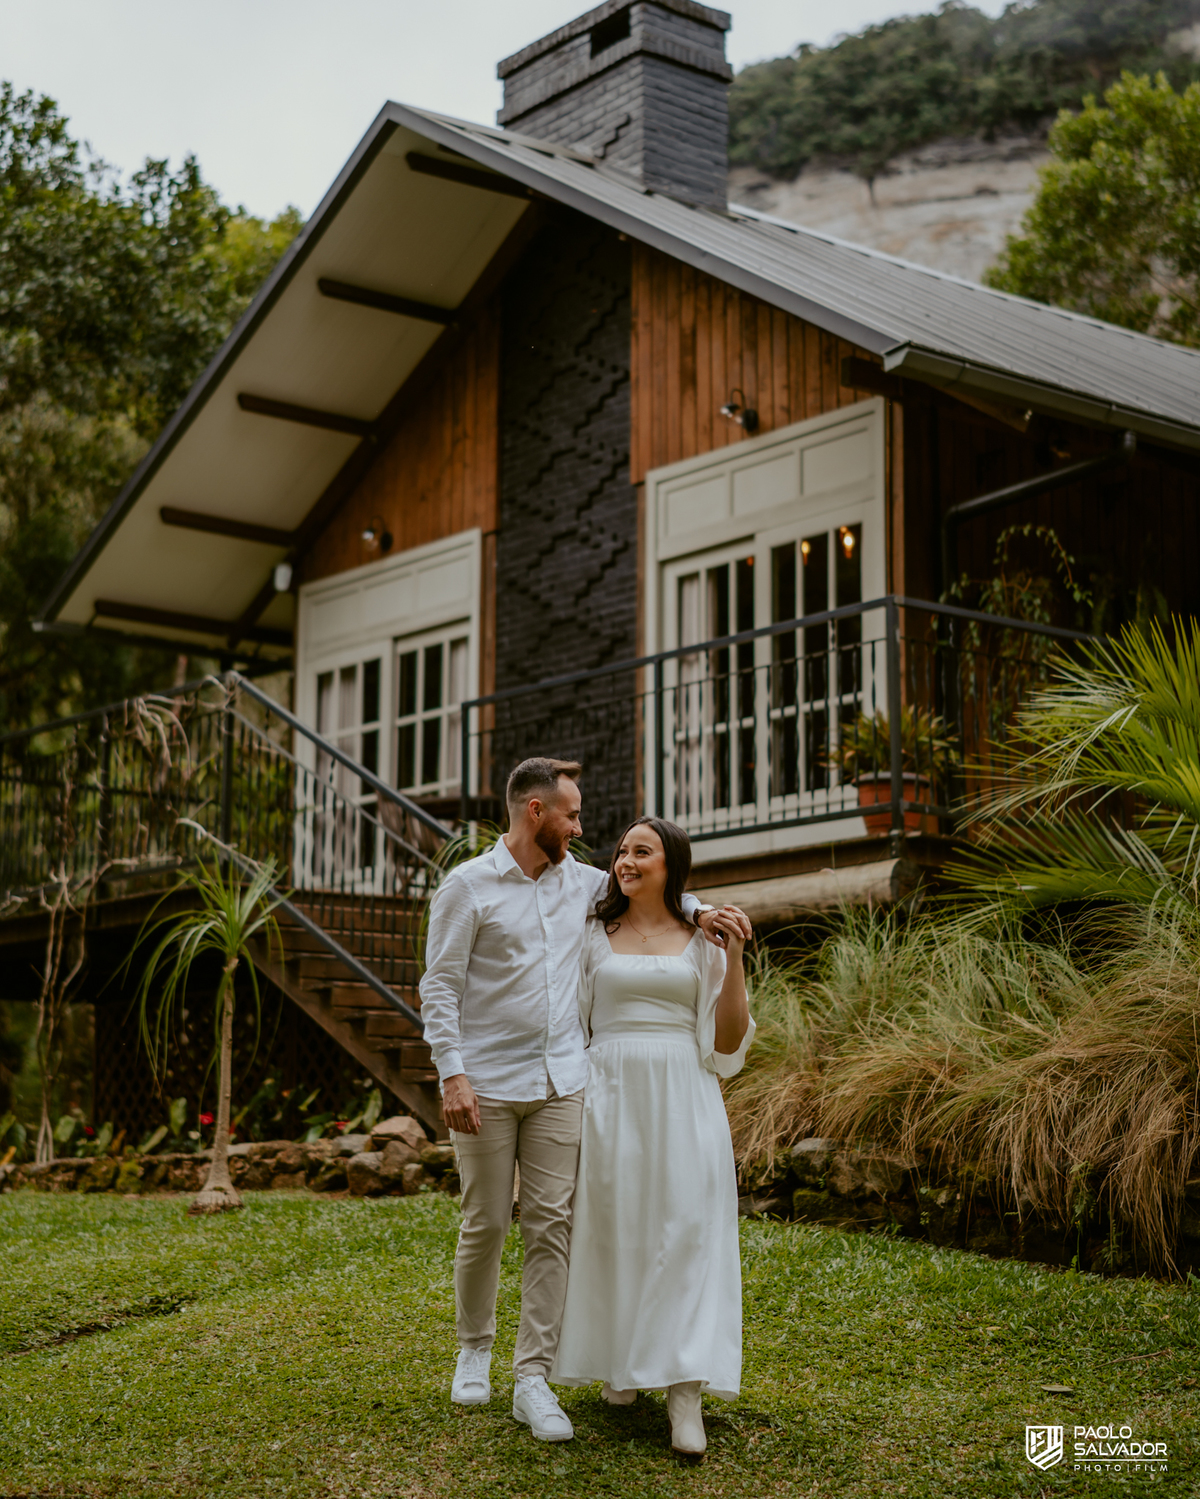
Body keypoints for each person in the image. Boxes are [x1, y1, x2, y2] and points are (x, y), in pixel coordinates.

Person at [418, 758, 748, 1443]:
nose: (581, 827)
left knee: (554, 1227)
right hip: (484, 1081)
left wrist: (702, 911)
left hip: (563, 1080)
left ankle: (532, 1376)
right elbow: (440, 987)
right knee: (485, 1219)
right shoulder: (466, 886)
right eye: (570, 814)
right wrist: (452, 1073)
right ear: (535, 811)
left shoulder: (584, 886)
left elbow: (657, 894)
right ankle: (474, 1346)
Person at [550, 816, 754, 1457]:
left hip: (685, 1091)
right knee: (614, 1226)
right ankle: (621, 1360)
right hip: (608, 1089)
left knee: (686, 1230)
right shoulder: (591, 930)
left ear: (672, 865)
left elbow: (726, 1044)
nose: (626, 860)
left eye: (643, 851)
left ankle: (685, 1392)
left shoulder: (703, 940)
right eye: (621, 851)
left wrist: (733, 956)